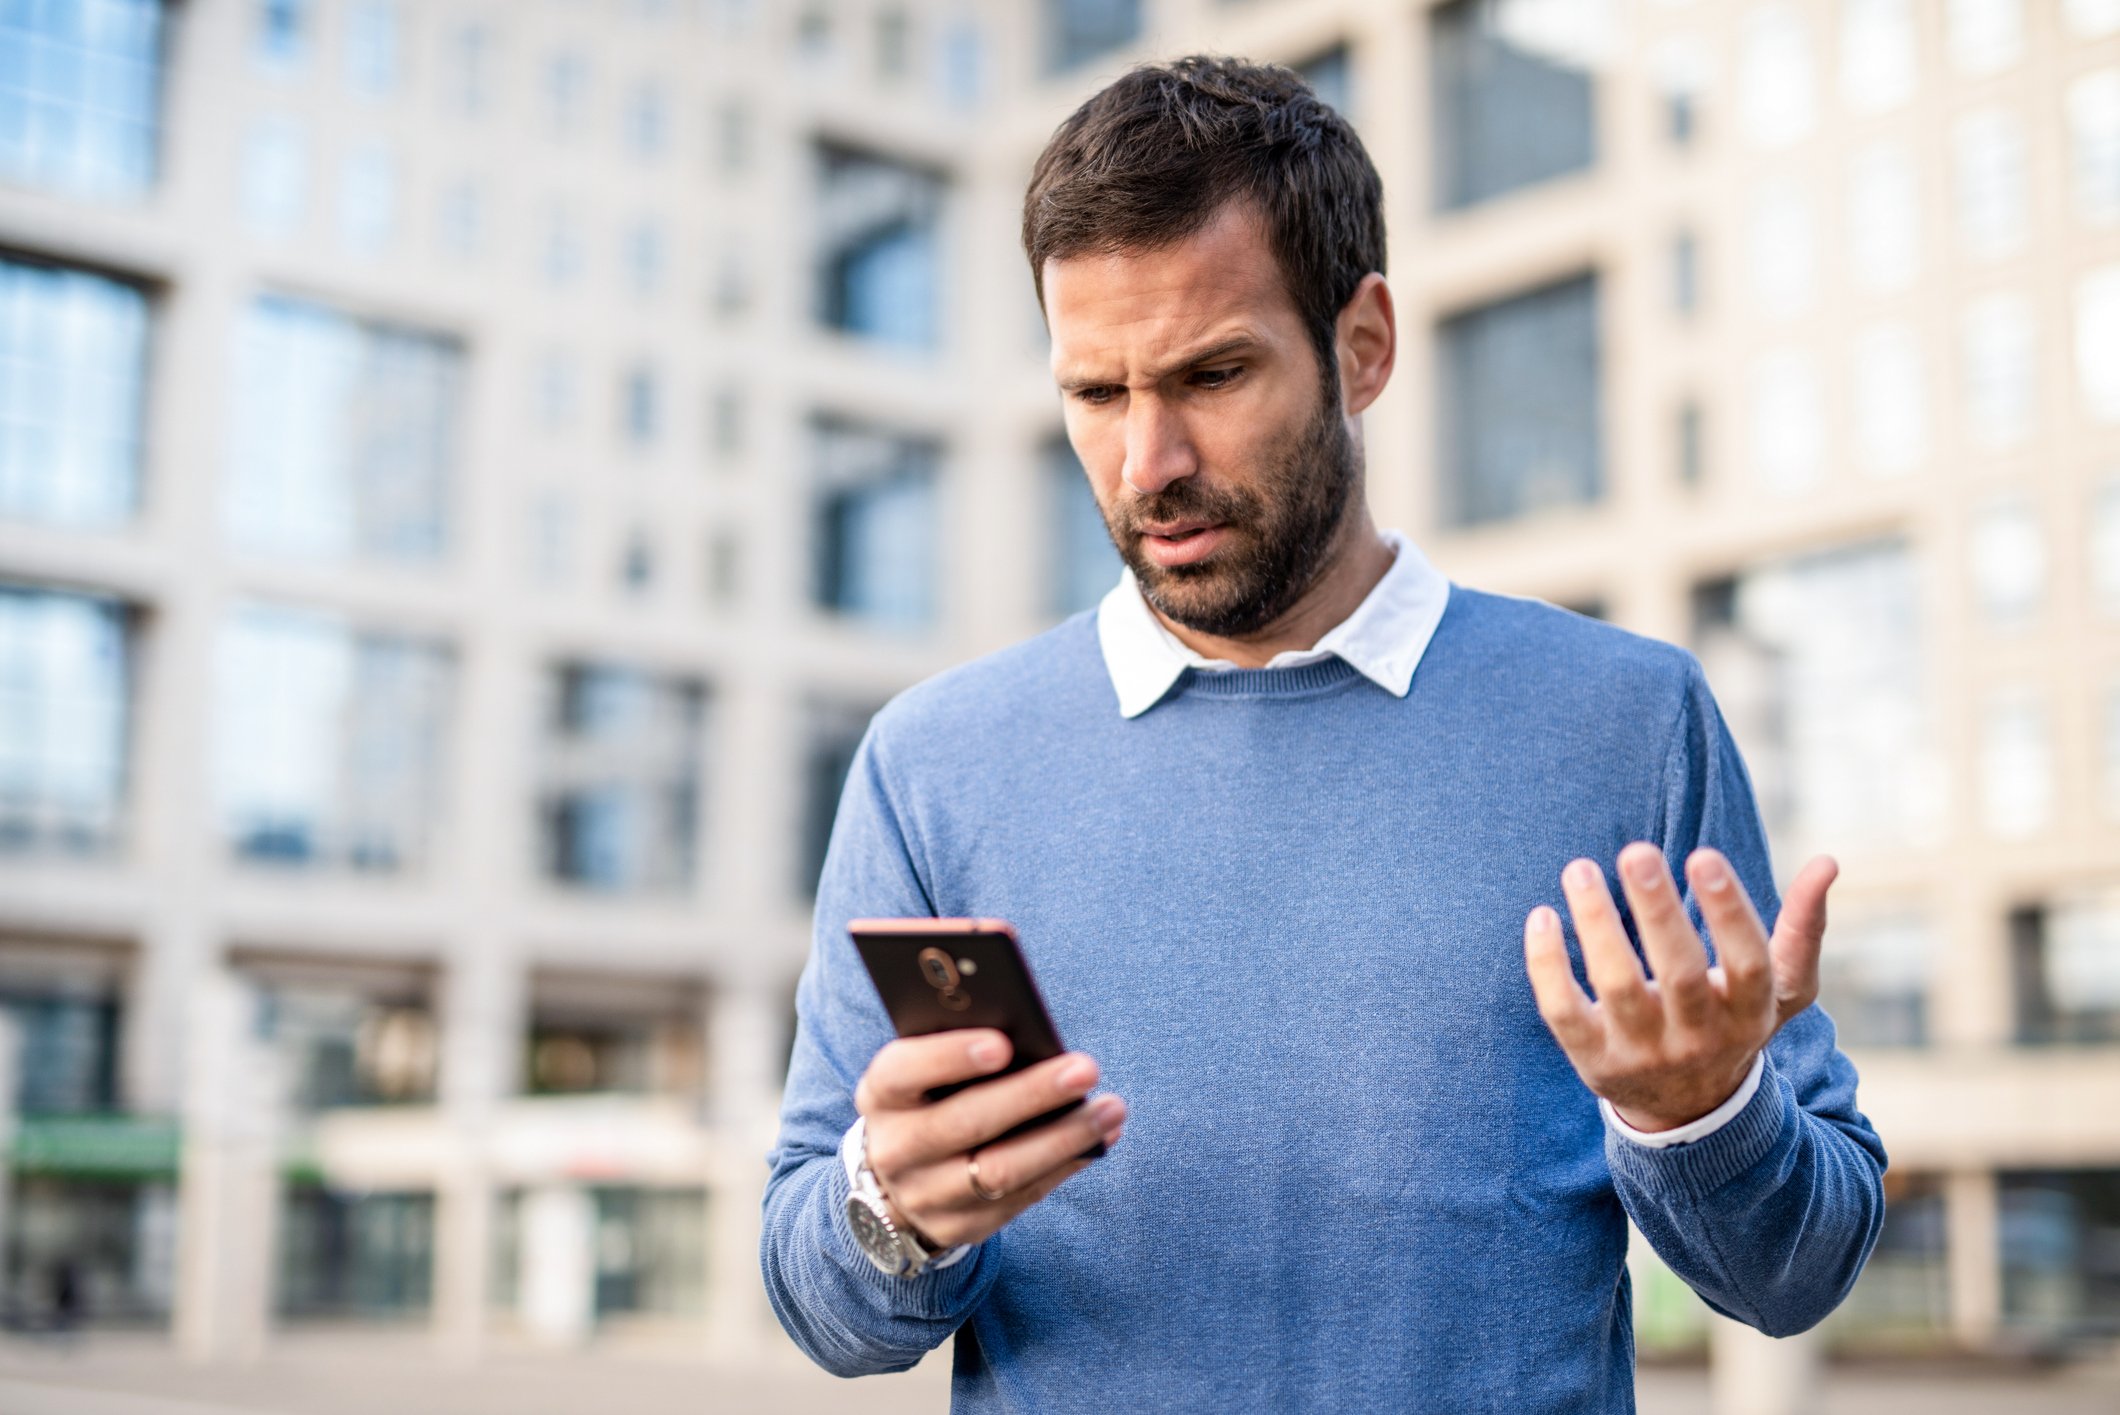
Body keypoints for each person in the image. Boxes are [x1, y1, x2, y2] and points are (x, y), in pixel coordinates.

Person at [761, 55, 1886, 1412]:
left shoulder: (1627, 723)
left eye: (1213, 373)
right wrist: (895, 1211)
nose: (1147, 464)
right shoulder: (932, 764)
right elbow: (823, 1303)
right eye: (1096, 395)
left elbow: (1797, 1277)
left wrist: (1699, 1116)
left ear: (1363, 346)